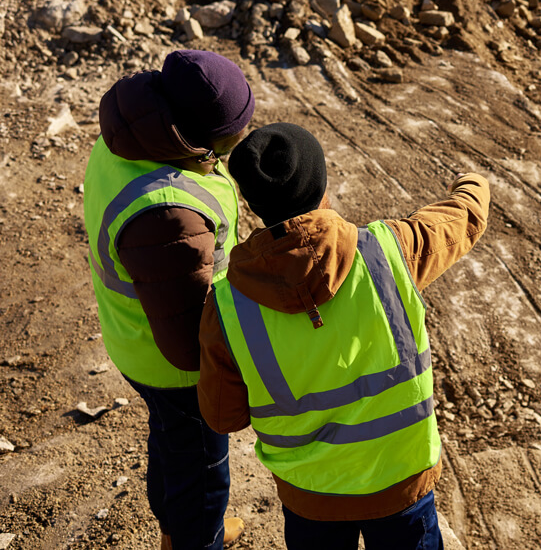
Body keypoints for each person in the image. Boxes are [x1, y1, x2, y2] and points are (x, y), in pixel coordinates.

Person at [197, 122, 490, 549]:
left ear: (253, 203)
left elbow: (224, 417)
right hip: (402, 486)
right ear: (322, 186)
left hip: (310, 498)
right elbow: (462, 220)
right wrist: (472, 181)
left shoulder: (226, 308)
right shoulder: (390, 251)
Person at [83, 49, 254, 549]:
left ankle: (179, 531)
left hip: (135, 335)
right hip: (174, 367)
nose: (235, 146)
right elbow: (186, 344)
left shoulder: (132, 133)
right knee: (201, 470)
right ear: (196, 144)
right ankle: (195, 536)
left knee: (172, 444)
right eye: (228, 141)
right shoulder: (167, 217)